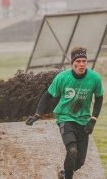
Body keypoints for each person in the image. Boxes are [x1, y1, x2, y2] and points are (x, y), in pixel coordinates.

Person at [25, 47, 104, 179]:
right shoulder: (62, 77)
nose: (82, 64)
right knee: (72, 150)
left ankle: (64, 174)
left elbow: (99, 98)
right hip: (65, 118)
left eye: (84, 61)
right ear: (72, 63)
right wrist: (37, 114)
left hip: (83, 121)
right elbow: (47, 95)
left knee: (79, 162)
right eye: (78, 61)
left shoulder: (94, 78)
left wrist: (93, 119)